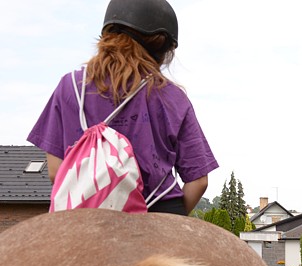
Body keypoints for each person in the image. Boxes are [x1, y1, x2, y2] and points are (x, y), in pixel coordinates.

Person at [27, 0, 215, 215]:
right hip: (158, 212)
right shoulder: (172, 96)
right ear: (162, 49)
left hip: (86, 215)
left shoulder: (70, 87)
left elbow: (55, 172)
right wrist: (172, 222)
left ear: (108, 35)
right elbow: (199, 181)